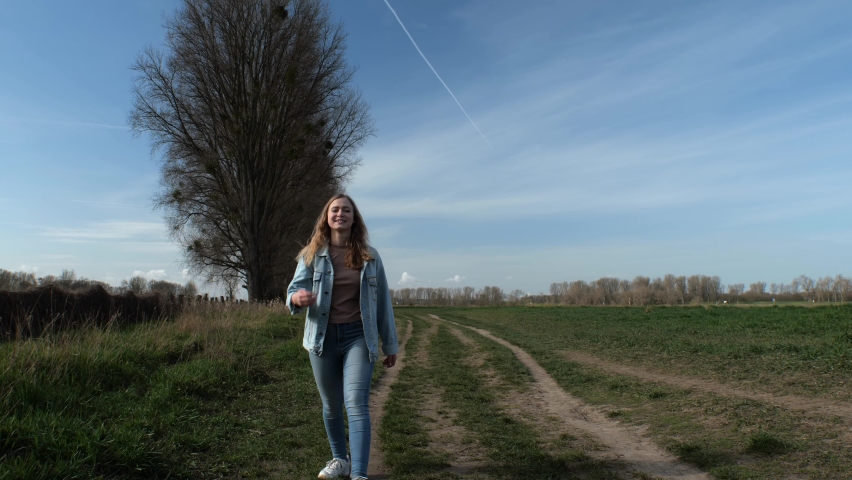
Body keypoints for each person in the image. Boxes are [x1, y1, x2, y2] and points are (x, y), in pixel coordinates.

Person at [286, 194, 398, 480]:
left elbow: (382, 302)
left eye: (346, 210)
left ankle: (359, 473)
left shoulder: (369, 256)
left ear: (353, 218)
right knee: (331, 405)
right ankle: (340, 460)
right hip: (321, 339)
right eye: (335, 210)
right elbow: (292, 292)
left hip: (358, 337)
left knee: (355, 402)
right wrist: (298, 298)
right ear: (326, 217)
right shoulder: (311, 254)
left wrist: (390, 344)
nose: (340, 214)